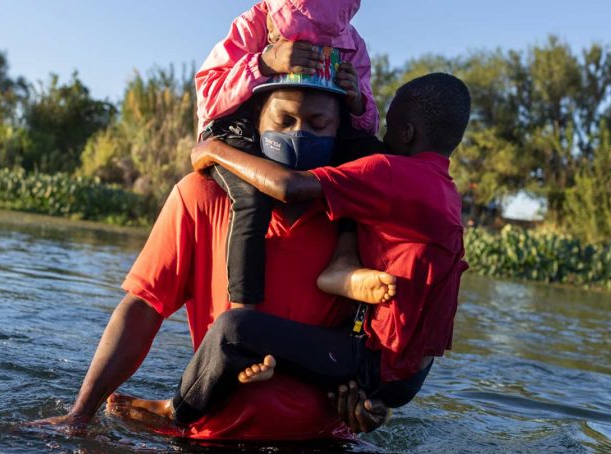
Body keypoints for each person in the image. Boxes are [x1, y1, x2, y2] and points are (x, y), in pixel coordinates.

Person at [27, 82, 389, 440]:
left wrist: (370, 401)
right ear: (256, 121)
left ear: (339, 129)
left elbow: (377, 338)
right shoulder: (200, 196)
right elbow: (142, 307)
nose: (299, 134)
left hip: (324, 440)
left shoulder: (364, 219)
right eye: (284, 120)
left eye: (318, 124)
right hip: (210, 436)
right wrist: (80, 414)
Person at [111, 73, 471, 427]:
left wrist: (213, 148)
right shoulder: (447, 195)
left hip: (375, 360)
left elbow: (287, 186)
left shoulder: (393, 173)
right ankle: (324, 296)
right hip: (410, 374)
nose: (380, 137)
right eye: (285, 120)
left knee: (235, 329)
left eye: (389, 127)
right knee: (310, 350)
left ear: (406, 133)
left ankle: (176, 410)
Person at [196, 0, 384, 311]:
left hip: (322, 138)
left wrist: (357, 101)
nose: (314, 46)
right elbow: (209, 98)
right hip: (242, 133)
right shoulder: (251, 25)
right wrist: (263, 63)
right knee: (251, 199)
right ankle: (244, 309)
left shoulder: (353, 44)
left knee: (369, 162)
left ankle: (344, 259)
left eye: (326, 41)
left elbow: (368, 125)